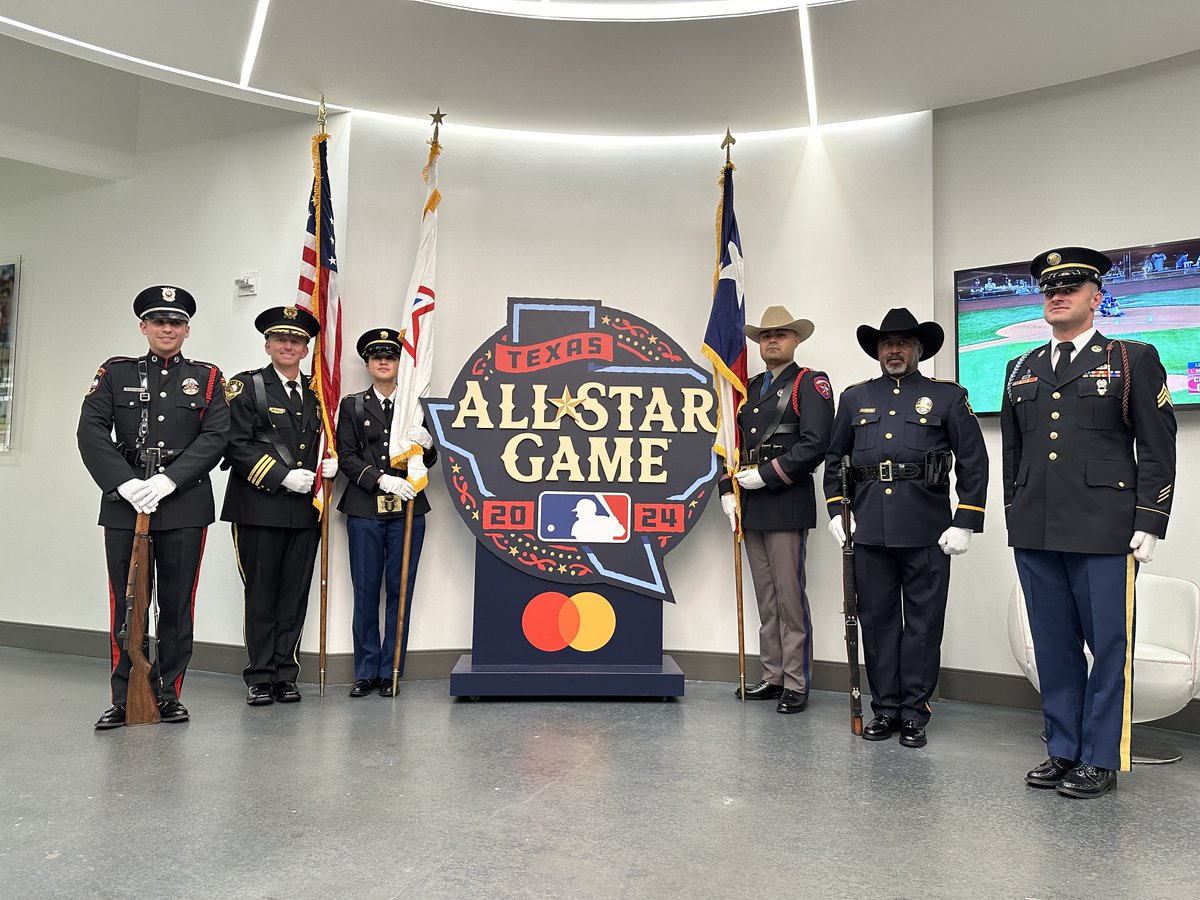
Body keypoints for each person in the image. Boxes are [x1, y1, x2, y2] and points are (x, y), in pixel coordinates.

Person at [1001, 247, 1177, 798]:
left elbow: (1157, 444)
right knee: (1052, 647)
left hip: (1106, 529)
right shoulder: (1021, 368)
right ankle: (1063, 748)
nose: (1058, 294)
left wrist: (1151, 517)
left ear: (1096, 297)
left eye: (1071, 286)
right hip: (1036, 528)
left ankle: (1100, 756)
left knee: (1108, 647)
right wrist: (1013, 511)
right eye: (1050, 287)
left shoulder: (1132, 359)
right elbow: (1013, 452)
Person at [823, 308, 987, 748]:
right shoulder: (855, 398)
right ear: (877, 351)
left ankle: (915, 712)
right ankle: (886, 709)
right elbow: (836, 459)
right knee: (877, 623)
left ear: (918, 349)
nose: (893, 350)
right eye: (886, 344)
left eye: (902, 343)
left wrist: (966, 519)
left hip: (928, 529)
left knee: (923, 624)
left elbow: (974, 460)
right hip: (870, 530)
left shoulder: (948, 397)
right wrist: (839, 511)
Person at [77, 285, 230, 729]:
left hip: (183, 503)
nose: (168, 328)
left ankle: (167, 694)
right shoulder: (115, 372)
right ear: (143, 327)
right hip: (126, 505)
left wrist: (169, 480)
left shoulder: (207, 377)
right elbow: (90, 431)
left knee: (177, 603)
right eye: (159, 321)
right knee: (127, 604)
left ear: (187, 330)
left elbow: (216, 435)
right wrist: (124, 484)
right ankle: (125, 697)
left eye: (176, 322)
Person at [718, 305, 834, 714]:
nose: (772, 340)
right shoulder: (746, 388)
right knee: (766, 598)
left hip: (785, 499)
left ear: (795, 340)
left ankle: (797, 681)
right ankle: (772, 675)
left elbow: (816, 443)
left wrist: (767, 475)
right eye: (766, 335)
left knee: (789, 596)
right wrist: (726, 490)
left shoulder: (809, 383)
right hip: (752, 505)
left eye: (781, 334)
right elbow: (730, 443)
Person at [220, 306, 338, 706]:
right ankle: (259, 675)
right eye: (282, 340)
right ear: (268, 345)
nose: (289, 346)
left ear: (306, 350)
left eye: (297, 341)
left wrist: (329, 463)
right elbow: (234, 444)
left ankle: (286, 673)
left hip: (304, 511)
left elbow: (322, 442)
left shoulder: (318, 396)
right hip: (258, 506)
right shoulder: (245, 387)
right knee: (261, 593)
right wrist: (280, 476)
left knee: (294, 594)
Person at [335, 329, 437, 698]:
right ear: (366, 363)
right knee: (365, 591)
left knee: (400, 590)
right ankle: (365, 670)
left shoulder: (416, 407)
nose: (383, 361)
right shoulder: (352, 405)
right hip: (366, 506)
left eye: (390, 356)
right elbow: (346, 456)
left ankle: (392, 668)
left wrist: (426, 448)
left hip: (409, 506)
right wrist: (381, 481)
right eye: (376, 356)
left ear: (401, 364)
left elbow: (430, 458)